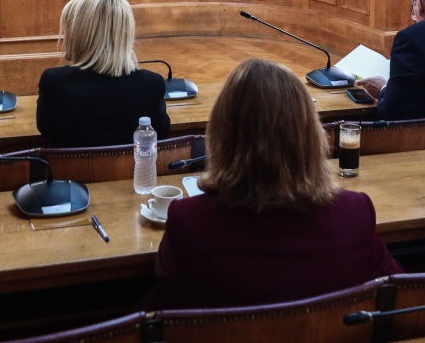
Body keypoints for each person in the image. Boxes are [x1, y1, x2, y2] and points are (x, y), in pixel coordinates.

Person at [146, 58, 401, 309]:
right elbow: (405, 297)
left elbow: (155, 311)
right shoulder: (355, 214)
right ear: (311, 135)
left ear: (221, 135)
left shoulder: (188, 221)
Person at [36, 0, 170, 147]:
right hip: (133, 164)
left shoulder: (53, 82)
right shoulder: (152, 84)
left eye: (67, 30)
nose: (64, 37)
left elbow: (45, 129)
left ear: (80, 35)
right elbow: (162, 133)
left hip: (70, 165)